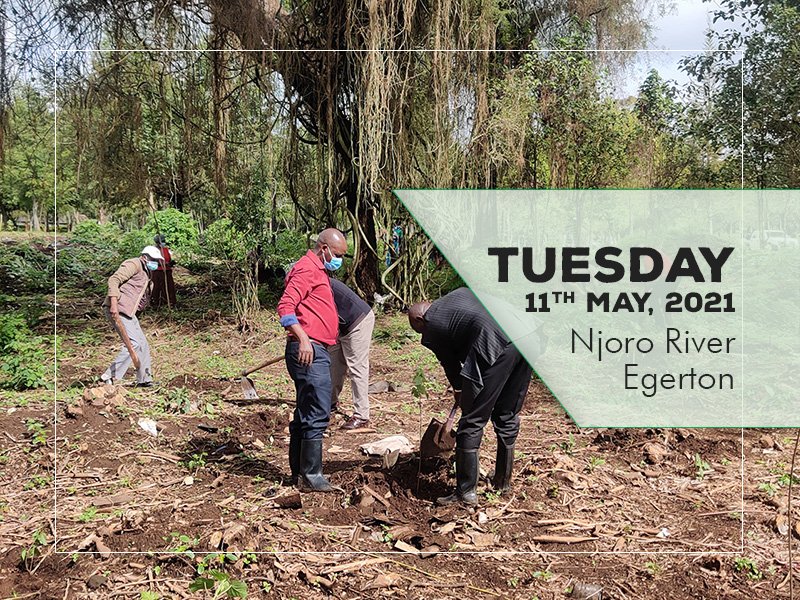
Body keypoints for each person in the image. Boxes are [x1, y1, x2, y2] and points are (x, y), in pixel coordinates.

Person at [408, 287, 533, 506]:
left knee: (472, 420)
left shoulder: (432, 323)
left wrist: (461, 391)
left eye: (419, 330)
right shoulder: (458, 296)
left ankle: (465, 493)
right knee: (507, 412)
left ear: (420, 319)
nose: (423, 335)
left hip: (496, 339)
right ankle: (502, 482)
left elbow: (450, 363)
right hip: (527, 333)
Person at [278, 228, 347, 492]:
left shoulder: (318, 270)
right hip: (309, 350)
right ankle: (311, 474)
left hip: (318, 349)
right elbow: (285, 307)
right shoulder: (307, 269)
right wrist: (304, 339)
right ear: (324, 248)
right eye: (338, 255)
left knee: (306, 409)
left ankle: (299, 472)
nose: (339, 260)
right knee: (318, 409)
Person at [101, 245, 164, 387]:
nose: (156, 263)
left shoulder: (147, 273)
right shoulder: (134, 264)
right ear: (145, 257)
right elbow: (114, 280)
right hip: (118, 308)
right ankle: (109, 376)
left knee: (142, 344)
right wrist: (114, 304)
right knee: (134, 343)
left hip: (129, 312)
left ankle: (144, 380)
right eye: (154, 260)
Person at [328, 278, 375, 431]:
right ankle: (330, 403)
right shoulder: (308, 284)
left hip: (358, 321)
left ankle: (362, 416)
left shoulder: (319, 283)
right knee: (334, 364)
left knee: (357, 368)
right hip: (339, 326)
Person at [151, 234, 176, 308]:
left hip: (167, 271)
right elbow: (151, 262)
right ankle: (157, 303)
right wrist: (162, 263)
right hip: (157, 272)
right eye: (162, 241)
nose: (163, 243)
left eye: (164, 241)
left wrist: (171, 263)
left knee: (169, 287)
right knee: (157, 288)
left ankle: (169, 303)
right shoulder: (154, 250)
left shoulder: (166, 249)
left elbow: (169, 259)